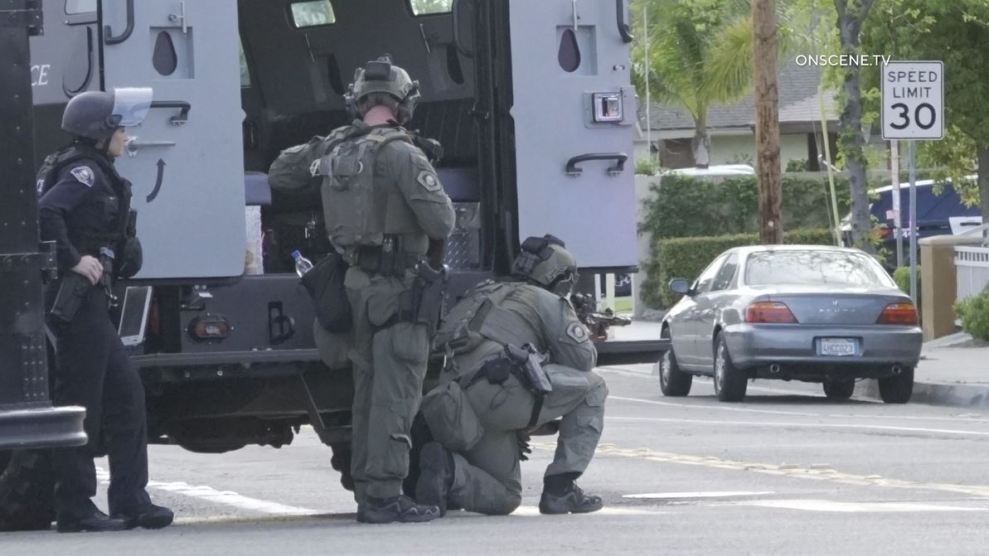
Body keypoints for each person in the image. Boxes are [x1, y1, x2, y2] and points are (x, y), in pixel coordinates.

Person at [269, 56, 455, 523]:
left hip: (354, 284)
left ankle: (371, 491)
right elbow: (442, 221)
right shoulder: (402, 153)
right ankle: (385, 496)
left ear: (358, 101)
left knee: (367, 391)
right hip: (399, 286)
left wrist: (330, 142)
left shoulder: (335, 147)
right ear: (403, 102)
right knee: (397, 393)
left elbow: (280, 173)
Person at [38, 88, 173, 533]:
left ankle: (131, 500)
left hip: (92, 303)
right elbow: (47, 212)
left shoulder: (91, 168)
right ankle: (75, 507)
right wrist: (74, 259)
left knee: (126, 396)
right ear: (99, 133)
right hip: (78, 303)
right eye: (118, 127)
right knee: (81, 405)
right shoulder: (84, 173)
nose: (124, 134)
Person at [414, 235, 608, 516]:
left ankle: (450, 470)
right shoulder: (546, 300)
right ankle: (561, 489)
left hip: (452, 405)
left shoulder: (481, 292)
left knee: (506, 496)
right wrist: (581, 331)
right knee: (594, 388)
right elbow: (582, 361)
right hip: (499, 395)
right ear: (560, 277)